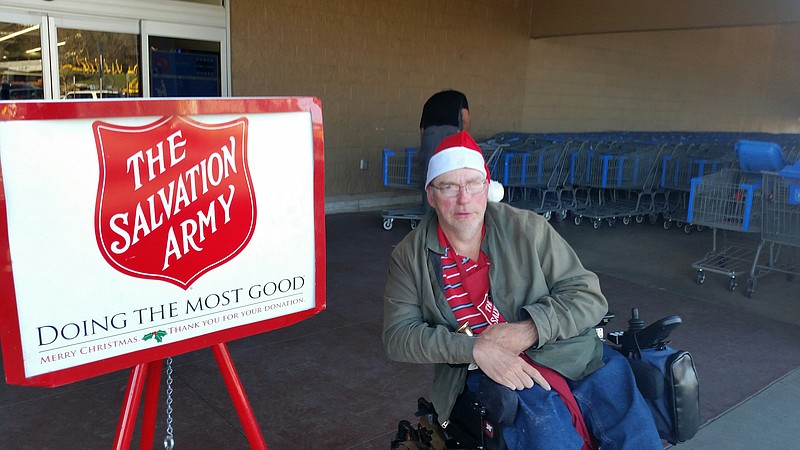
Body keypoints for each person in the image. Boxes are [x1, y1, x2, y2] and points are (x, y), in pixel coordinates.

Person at [383, 131, 661, 449]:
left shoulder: (527, 229)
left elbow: (588, 296)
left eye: (473, 184)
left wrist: (529, 329)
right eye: (449, 186)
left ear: (487, 188)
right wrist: (473, 348)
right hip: (481, 368)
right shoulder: (410, 255)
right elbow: (398, 336)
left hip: (567, 350)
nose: (463, 199)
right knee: (545, 430)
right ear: (431, 195)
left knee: (630, 420)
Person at [418, 89, 470, 210]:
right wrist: (463, 137)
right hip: (452, 134)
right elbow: (465, 119)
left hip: (429, 135)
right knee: (452, 172)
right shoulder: (460, 97)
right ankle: (450, 211)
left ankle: (429, 214)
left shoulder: (430, 101)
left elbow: (421, 130)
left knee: (430, 174)